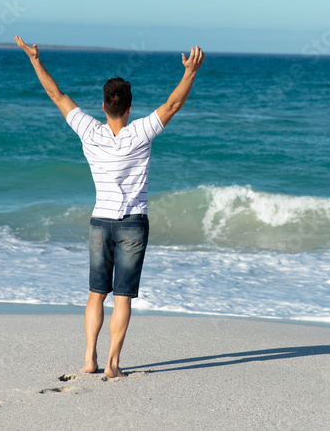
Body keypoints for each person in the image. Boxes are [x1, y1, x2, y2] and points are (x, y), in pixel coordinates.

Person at [14, 35, 204, 377]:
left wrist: (34, 60)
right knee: (123, 298)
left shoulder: (89, 131)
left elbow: (56, 95)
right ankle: (113, 365)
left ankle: (89, 359)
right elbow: (173, 105)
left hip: (100, 222)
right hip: (133, 223)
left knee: (95, 294)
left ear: (103, 106)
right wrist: (190, 72)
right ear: (130, 108)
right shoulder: (141, 132)